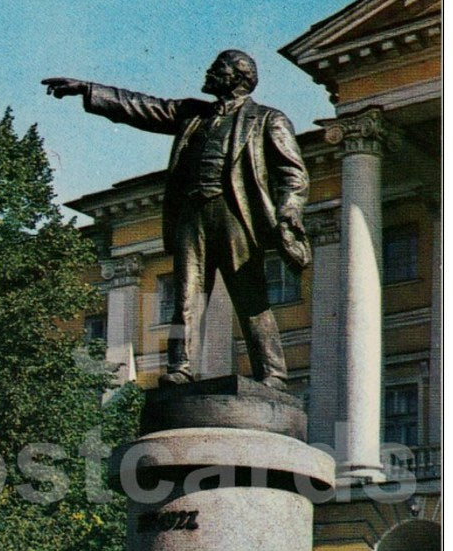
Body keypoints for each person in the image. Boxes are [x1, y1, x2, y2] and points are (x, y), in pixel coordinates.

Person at [43, 50, 311, 389]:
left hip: (235, 215)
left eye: (219, 68)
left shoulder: (267, 119)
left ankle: (273, 372)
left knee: (249, 294)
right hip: (192, 214)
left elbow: (293, 173)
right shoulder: (191, 114)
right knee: (186, 294)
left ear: (239, 76)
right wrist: (89, 90)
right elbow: (142, 107)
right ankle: (181, 367)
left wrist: (289, 210)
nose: (210, 72)